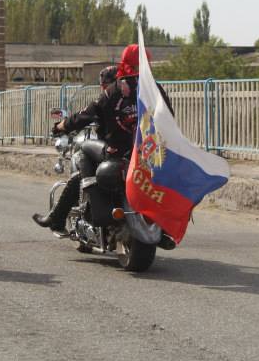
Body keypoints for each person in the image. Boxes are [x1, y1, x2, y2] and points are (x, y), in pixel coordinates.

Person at [32, 44, 172, 241]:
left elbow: (85, 116)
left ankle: (58, 216)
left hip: (117, 153)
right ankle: (164, 229)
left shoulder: (113, 91)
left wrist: (61, 126)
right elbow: (169, 118)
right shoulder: (155, 90)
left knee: (82, 151)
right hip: (148, 155)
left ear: (125, 62)